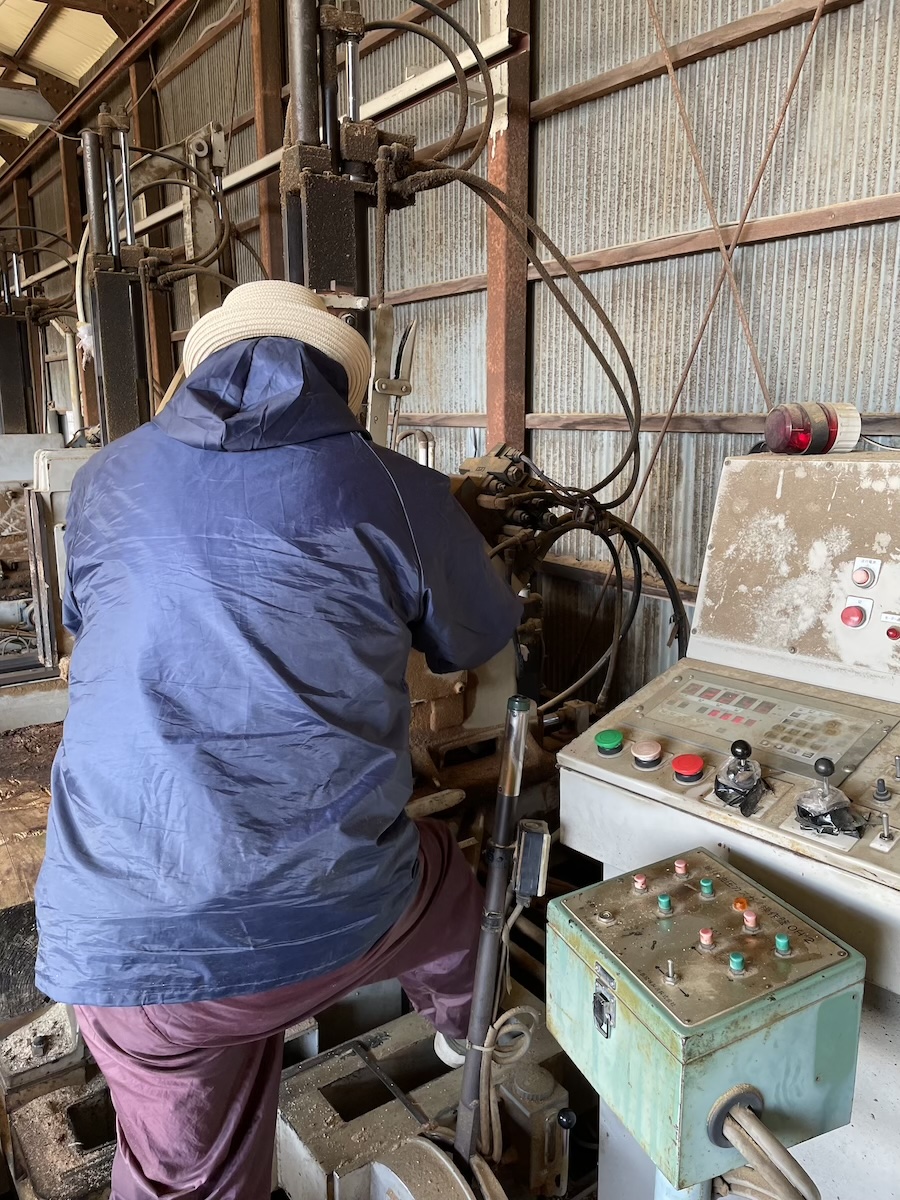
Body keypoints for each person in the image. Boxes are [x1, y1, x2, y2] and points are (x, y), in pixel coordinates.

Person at [34, 281, 523, 1200]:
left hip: (119, 948)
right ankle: (475, 1034)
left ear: (197, 371)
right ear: (338, 383)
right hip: (324, 919)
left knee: (189, 1171)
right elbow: (475, 643)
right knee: (443, 877)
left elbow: (98, 620)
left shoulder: (102, 482)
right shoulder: (393, 486)